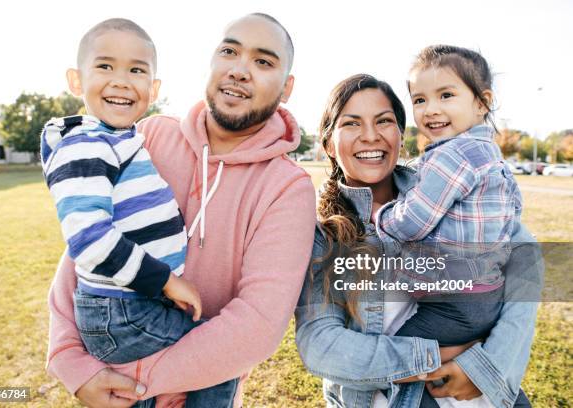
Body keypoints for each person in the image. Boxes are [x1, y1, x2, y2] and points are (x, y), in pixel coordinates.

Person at [46, 13, 316, 408]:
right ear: (211, 62)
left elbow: (258, 324)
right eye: (229, 51)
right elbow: (83, 251)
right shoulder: (149, 135)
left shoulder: (288, 187)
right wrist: (70, 364)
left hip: (187, 390)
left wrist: (135, 378)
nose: (239, 70)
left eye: (263, 61)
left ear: (287, 86)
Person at [295, 74, 541, 408]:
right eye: (352, 124)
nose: (370, 136)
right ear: (328, 144)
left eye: (384, 121)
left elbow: (524, 262)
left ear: (400, 133)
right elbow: (322, 346)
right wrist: (433, 358)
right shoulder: (321, 234)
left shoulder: (448, 188)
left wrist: (487, 369)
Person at [41, 18, 239, 408]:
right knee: (221, 360)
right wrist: (166, 281)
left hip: (130, 306)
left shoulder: (123, 139)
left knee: (148, 390)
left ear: (154, 88)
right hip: (121, 310)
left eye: (136, 70)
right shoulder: (84, 145)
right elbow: (89, 240)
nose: (120, 80)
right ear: (75, 81)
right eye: (104, 66)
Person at [370, 45, 524, 406]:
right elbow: (513, 214)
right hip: (484, 295)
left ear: (482, 102)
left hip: (453, 299)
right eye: (420, 100)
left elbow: (412, 221)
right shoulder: (490, 155)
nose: (431, 109)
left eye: (446, 95)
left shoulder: (452, 155)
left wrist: (381, 213)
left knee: (398, 359)